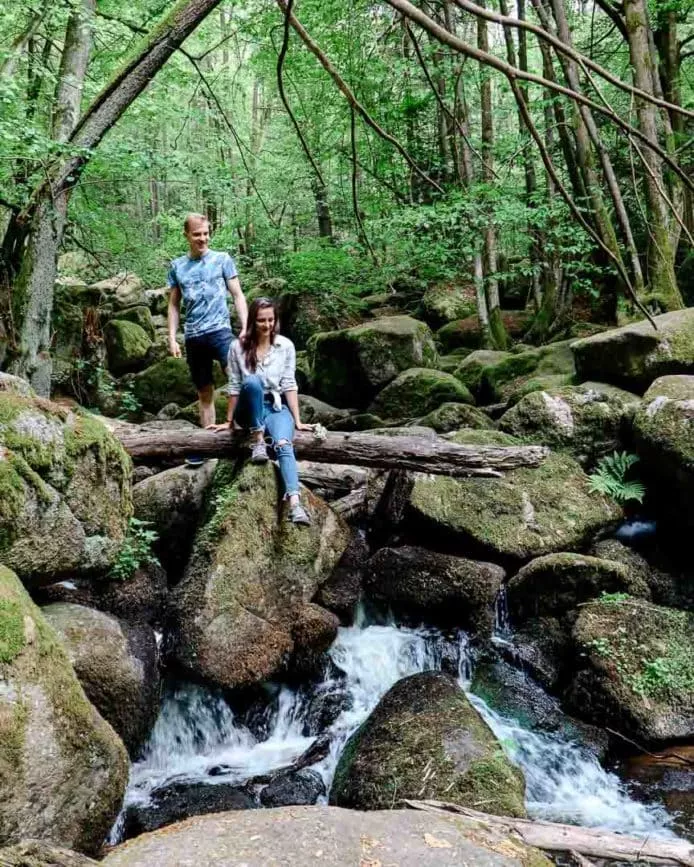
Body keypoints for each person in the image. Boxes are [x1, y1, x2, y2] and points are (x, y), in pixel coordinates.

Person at [212, 297, 313, 526]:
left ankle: (296, 505)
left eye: (271, 320)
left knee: (284, 444)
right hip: (247, 409)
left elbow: (289, 384)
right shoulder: (237, 347)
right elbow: (235, 386)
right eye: (261, 321)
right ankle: (258, 439)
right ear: (252, 321)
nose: (267, 325)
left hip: (275, 406)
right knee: (253, 382)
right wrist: (228, 421)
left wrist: (297, 420)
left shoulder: (285, 346)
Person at [167, 213, 248, 427]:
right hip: (194, 336)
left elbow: (238, 295)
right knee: (204, 392)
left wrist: (246, 327)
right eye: (197, 234)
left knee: (237, 375)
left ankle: (244, 429)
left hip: (220, 330)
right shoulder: (177, 266)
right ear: (186, 235)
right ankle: (207, 442)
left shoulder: (222, 260)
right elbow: (174, 304)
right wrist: (172, 338)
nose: (203, 238)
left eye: (206, 233)